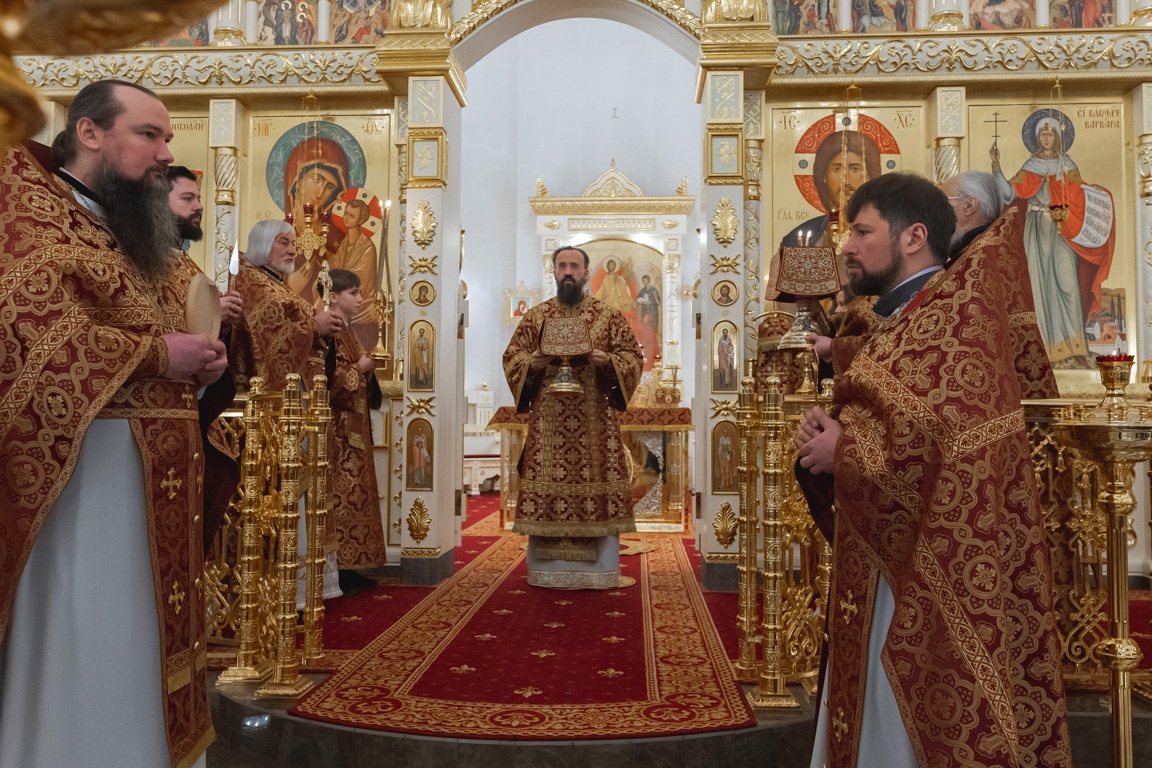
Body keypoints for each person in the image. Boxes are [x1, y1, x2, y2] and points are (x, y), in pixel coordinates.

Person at [795, 173, 1070, 767]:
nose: (847, 247)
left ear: (913, 236)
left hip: (925, 565)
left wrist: (845, 450)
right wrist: (831, 438)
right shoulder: (915, 311)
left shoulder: (956, 315)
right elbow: (899, 409)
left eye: (861, 232)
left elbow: (950, 446)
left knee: (899, 721)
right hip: (881, 552)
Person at [0, 79, 226, 768]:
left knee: (142, 639)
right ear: (90, 133)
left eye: (167, 137)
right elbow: (26, 331)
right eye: (149, 134)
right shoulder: (31, 215)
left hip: (158, 484)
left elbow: (182, 321)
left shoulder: (135, 230)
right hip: (80, 485)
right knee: (87, 638)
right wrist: (159, 355)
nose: (166, 152)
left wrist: (203, 359)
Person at [502, 246, 643, 590]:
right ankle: (547, 571)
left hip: (596, 425)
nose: (568, 271)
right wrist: (532, 362)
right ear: (554, 271)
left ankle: (600, 571)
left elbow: (632, 357)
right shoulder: (536, 317)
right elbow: (512, 357)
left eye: (574, 266)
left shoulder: (608, 316)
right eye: (562, 265)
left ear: (586, 272)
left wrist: (607, 361)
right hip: (548, 425)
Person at [991, 118, 1114, 367]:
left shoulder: (1067, 165)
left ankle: (1074, 347)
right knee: (1038, 284)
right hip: (1036, 230)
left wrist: (1097, 196)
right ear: (1037, 139)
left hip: (1062, 230)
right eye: (1043, 134)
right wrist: (996, 167)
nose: (1047, 138)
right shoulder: (1030, 166)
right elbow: (1008, 193)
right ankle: (1042, 349)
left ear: (1058, 138)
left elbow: (1082, 196)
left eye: (1051, 134)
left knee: (1067, 283)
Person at [167, 164, 244, 553]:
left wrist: (219, 327)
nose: (199, 206)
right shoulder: (149, 261)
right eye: (188, 198)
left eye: (199, 198)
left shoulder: (185, 265)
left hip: (188, 415)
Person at [325, 269, 386, 593]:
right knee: (340, 500)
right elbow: (326, 381)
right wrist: (359, 369)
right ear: (333, 296)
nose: (361, 299)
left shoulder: (347, 330)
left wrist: (365, 371)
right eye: (353, 293)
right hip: (336, 435)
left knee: (355, 499)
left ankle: (350, 567)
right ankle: (338, 570)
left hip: (355, 432)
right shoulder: (329, 330)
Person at [230, 219, 342, 393]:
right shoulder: (254, 284)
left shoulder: (276, 283)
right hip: (272, 392)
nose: (292, 251)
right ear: (263, 243)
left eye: (293, 244)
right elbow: (273, 337)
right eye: (284, 243)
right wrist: (316, 327)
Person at [940, 169, 1003, 262]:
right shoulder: (984, 250)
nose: (937, 211)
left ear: (969, 206)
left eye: (943, 201)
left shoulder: (978, 257)